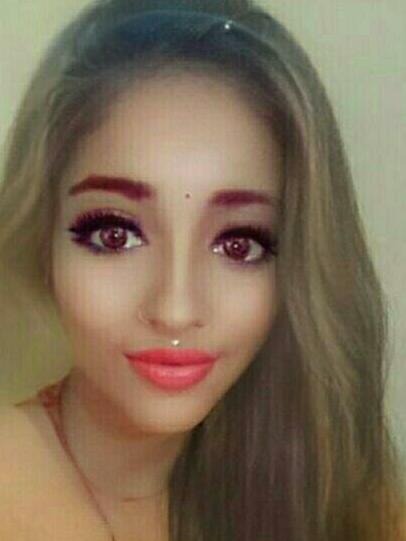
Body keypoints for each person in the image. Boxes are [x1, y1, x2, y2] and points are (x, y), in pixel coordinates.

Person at [0, 0, 404, 540]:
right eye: (115, 235)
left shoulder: (343, 493)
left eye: (239, 244)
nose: (175, 310)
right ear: (43, 240)